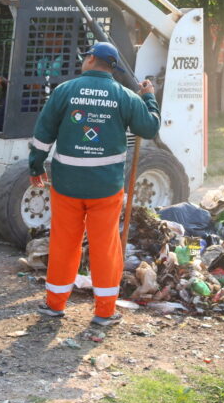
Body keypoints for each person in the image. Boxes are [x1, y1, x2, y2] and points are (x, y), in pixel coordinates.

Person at [28, 41, 159, 326]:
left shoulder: (65, 91)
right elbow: (149, 127)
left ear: (90, 60)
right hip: (106, 188)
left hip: (67, 185)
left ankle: (54, 305)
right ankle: (104, 312)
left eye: (84, 56)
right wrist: (148, 97)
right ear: (111, 67)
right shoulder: (124, 96)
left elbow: (43, 133)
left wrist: (35, 164)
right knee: (105, 247)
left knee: (64, 243)